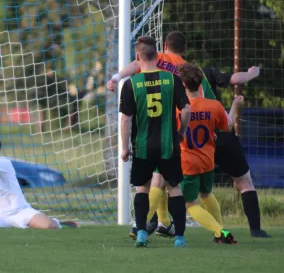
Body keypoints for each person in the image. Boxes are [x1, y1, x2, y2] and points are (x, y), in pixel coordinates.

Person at [108, 31, 269, 238]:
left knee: (165, 184)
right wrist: (244, 88)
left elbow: (137, 65)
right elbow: (233, 87)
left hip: (186, 149)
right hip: (214, 142)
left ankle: (145, 225)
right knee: (234, 185)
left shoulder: (166, 77)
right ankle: (251, 229)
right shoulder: (204, 80)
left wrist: (116, 77)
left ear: (164, 47)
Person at [119, 36, 191, 247]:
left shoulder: (132, 84)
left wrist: (124, 148)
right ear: (157, 55)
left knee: (142, 187)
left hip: (142, 146)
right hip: (168, 144)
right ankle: (179, 237)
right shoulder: (172, 79)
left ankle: (141, 232)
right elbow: (186, 109)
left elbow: (126, 118)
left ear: (137, 56)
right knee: (174, 188)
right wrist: (181, 131)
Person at [177, 63, 242, 244]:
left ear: (183, 86)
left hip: (188, 163)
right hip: (207, 161)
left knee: (190, 204)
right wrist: (235, 105)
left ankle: (221, 230)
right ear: (200, 84)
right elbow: (227, 127)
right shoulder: (214, 106)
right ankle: (218, 235)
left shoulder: (179, 108)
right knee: (206, 194)